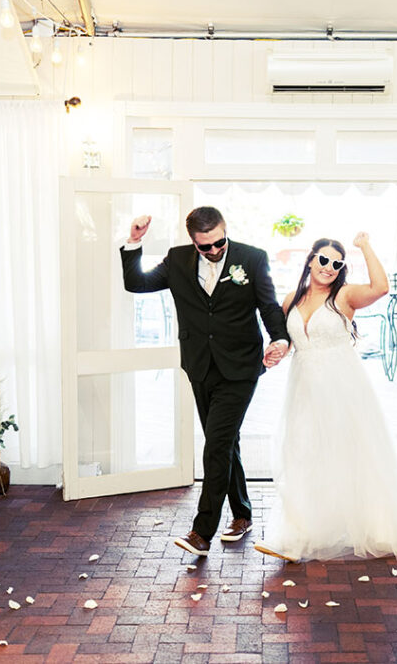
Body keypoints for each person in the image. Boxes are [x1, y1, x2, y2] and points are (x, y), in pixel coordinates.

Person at [121, 207, 290, 557]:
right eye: (205, 246)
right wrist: (134, 242)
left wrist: (280, 338)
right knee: (225, 441)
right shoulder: (177, 259)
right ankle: (242, 514)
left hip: (241, 366)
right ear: (193, 241)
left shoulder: (252, 259)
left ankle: (202, 532)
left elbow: (268, 304)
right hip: (200, 365)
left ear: (225, 231)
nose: (213, 250)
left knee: (216, 444)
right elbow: (137, 283)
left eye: (218, 243)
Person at [255, 234, 397, 562]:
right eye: (323, 260)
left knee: (351, 456)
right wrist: (277, 350)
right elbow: (288, 339)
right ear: (311, 260)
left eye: (336, 264)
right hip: (303, 388)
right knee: (302, 455)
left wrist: (365, 246)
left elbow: (381, 287)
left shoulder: (345, 295)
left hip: (343, 388)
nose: (329, 267)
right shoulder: (292, 298)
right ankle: (298, 536)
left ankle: (376, 527)